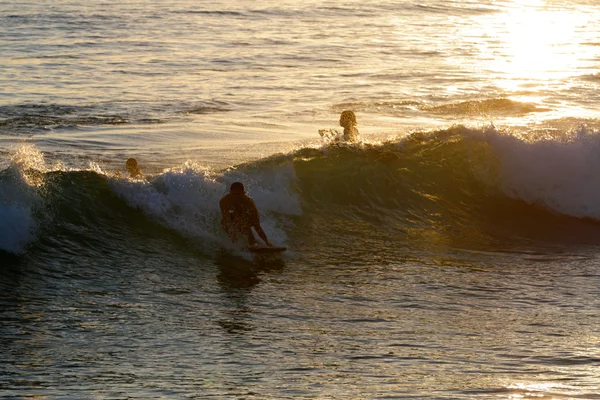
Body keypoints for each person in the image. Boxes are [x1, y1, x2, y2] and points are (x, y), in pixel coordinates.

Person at [219, 182, 272, 247]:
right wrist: (233, 235)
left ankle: (253, 242)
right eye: (234, 194)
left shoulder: (249, 203)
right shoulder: (224, 201)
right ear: (230, 192)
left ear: (243, 193)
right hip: (233, 214)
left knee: (245, 225)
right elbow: (227, 218)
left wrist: (266, 242)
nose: (236, 197)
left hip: (246, 215)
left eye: (238, 194)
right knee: (224, 223)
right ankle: (234, 243)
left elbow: (257, 226)